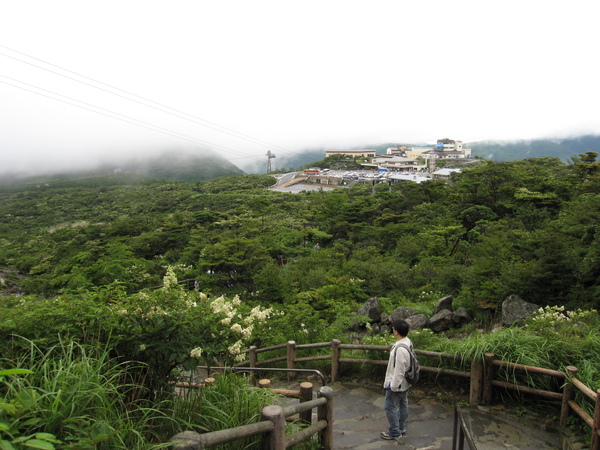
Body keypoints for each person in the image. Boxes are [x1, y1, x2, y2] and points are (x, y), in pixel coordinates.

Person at [381, 319, 412, 440]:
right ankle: (401, 426)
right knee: (403, 402)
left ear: (396, 332)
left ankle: (394, 431)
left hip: (397, 383)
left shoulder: (400, 349)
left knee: (389, 406)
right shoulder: (408, 342)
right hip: (406, 382)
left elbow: (399, 370)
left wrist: (393, 386)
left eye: (393, 329)